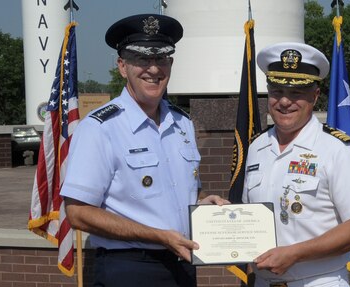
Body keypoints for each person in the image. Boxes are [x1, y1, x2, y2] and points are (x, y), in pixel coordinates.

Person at [60, 14, 228, 287]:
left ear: (170, 64)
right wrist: (158, 235)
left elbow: (182, 193)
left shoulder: (182, 123)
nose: (153, 68)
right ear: (122, 67)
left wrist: (201, 207)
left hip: (182, 265)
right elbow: (78, 212)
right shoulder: (100, 127)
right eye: (142, 59)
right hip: (130, 268)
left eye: (161, 59)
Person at [242, 42, 350, 287]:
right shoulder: (256, 147)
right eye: (276, 91)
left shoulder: (337, 150)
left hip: (319, 281)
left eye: (296, 93)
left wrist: (295, 253)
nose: (284, 101)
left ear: (315, 96)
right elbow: (249, 219)